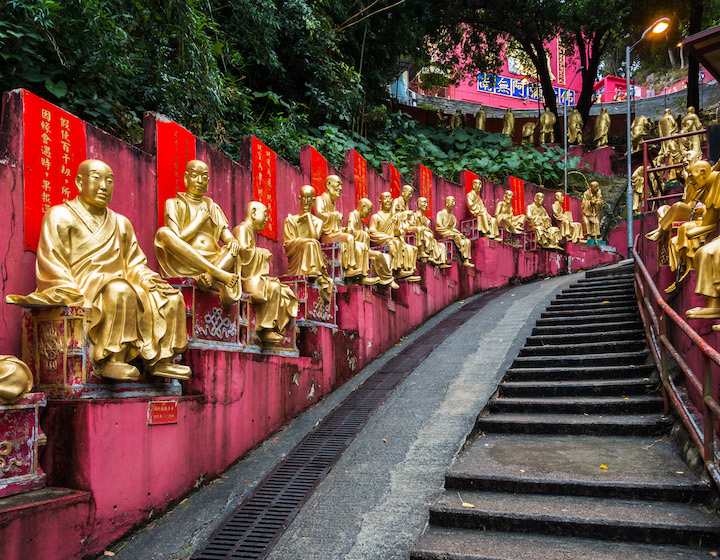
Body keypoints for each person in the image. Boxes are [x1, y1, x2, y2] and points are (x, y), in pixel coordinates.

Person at [6, 160, 190, 382]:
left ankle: (160, 360)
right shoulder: (60, 216)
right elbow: (53, 263)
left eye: (110, 181)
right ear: (79, 182)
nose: (104, 186)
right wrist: (69, 292)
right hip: (86, 285)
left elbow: (134, 264)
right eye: (96, 178)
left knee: (170, 296)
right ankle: (112, 359)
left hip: (123, 282)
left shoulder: (122, 223)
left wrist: (149, 279)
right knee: (120, 290)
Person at [154, 159, 240, 302]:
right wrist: (198, 221)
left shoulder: (213, 208)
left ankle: (210, 276)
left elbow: (227, 237)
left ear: (208, 181)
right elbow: (177, 238)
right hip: (186, 261)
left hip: (215, 259)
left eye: (204, 177)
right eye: (194, 176)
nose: (200, 180)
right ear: (185, 178)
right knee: (163, 233)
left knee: (235, 249)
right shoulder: (173, 204)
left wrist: (232, 240)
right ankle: (216, 273)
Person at [233, 202, 298, 344]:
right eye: (265, 214)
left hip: (253, 276)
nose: (267, 219)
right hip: (246, 279)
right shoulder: (241, 229)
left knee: (284, 290)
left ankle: (279, 327)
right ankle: (266, 329)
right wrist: (262, 252)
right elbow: (243, 253)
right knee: (274, 288)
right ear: (254, 213)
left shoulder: (249, 231)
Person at [314, 175, 375, 285]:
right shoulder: (320, 199)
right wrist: (336, 215)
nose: (340, 188)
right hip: (326, 235)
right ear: (328, 184)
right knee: (349, 238)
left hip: (334, 233)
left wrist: (340, 226)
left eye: (341, 185)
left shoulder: (332, 203)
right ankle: (350, 268)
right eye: (338, 184)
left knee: (362, 246)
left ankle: (362, 275)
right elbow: (320, 216)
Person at [282, 185, 334, 301]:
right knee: (311, 243)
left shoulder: (318, 222)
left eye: (309, 199)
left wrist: (309, 218)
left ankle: (314, 270)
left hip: (312, 248)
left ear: (313, 200)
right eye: (303, 198)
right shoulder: (290, 220)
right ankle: (314, 271)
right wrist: (306, 242)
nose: (306, 202)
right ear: (299, 199)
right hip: (296, 260)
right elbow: (288, 244)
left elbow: (315, 236)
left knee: (312, 242)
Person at [346, 198, 399, 289]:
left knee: (384, 256)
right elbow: (349, 231)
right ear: (363, 207)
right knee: (377, 254)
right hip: (357, 247)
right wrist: (364, 233)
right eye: (369, 210)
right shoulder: (353, 215)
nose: (369, 213)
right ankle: (386, 278)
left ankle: (386, 278)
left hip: (364, 248)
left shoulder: (359, 218)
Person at [368, 192, 420, 282]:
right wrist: (387, 237)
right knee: (395, 243)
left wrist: (398, 229)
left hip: (393, 239)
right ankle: (397, 271)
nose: (388, 200)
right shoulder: (376, 217)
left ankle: (408, 270)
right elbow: (372, 231)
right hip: (382, 240)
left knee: (412, 248)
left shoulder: (394, 217)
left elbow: (396, 232)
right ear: (380, 202)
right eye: (385, 198)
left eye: (390, 198)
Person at [409, 197, 451, 268]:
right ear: (419, 204)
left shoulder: (426, 219)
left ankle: (441, 262)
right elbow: (410, 227)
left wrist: (427, 230)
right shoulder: (414, 216)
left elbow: (428, 230)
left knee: (442, 245)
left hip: (429, 237)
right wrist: (421, 229)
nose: (426, 205)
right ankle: (426, 254)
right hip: (420, 236)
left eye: (426, 203)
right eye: (424, 203)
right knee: (428, 236)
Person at [436, 196, 474, 268]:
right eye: (452, 201)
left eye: (454, 202)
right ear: (447, 203)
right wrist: (452, 232)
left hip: (451, 232)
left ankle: (466, 260)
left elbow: (453, 228)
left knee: (467, 240)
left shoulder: (453, 217)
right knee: (457, 236)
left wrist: (458, 233)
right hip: (444, 232)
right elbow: (438, 227)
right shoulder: (440, 214)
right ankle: (463, 254)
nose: (454, 204)